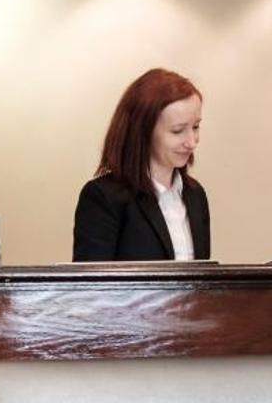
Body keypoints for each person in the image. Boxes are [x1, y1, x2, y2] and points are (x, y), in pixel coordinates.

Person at [71, 67, 210, 261]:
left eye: (195, 127)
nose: (192, 141)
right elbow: (92, 288)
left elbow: (203, 285)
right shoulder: (103, 198)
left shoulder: (195, 195)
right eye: (178, 131)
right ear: (142, 132)